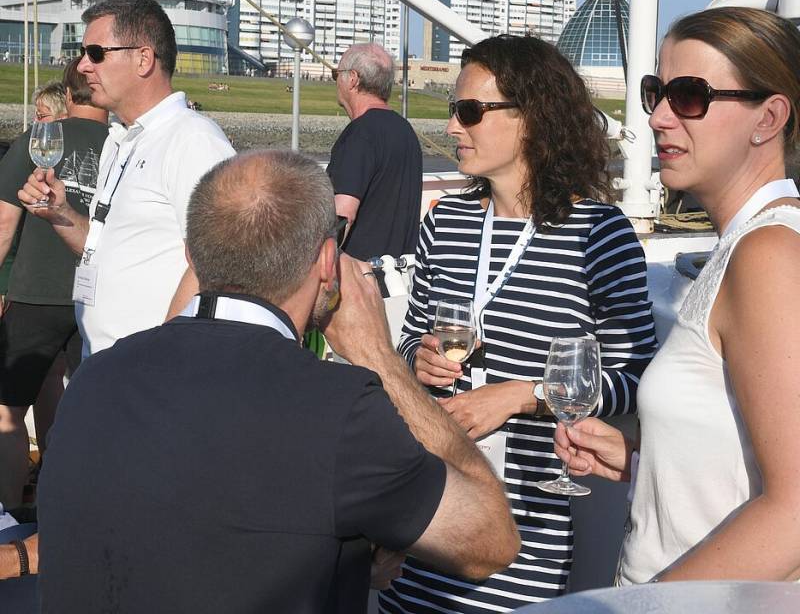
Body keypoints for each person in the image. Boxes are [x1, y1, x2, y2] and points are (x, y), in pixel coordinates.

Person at [36, 150, 520, 613]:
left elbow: (186, 528)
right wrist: (379, 356)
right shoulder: (339, 410)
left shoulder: (95, 379)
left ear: (192, 255)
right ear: (328, 262)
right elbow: (490, 541)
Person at [380, 35, 658, 613]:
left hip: (527, 517)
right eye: (454, 111)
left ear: (532, 118)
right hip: (428, 499)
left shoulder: (599, 236)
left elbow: (636, 377)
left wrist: (522, 396)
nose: (454, 127)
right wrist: (418, 356)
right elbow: (407, 336)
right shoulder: (447, 221)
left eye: (469, 112)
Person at [554, 7, 800, 584]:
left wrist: (644, 607)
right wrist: (642, 461)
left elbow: (795, 511)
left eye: (689, 95)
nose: (660, 116)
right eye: (656, 92)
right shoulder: (743, 246)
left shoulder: (767, 256)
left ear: (768, 117)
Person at [18, 0, 234, 355]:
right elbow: (101, 248)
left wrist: (162, 352)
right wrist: (61, 214)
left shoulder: (193, 140)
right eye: (83, 52)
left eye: (96, 53)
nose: (83, 66)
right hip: (105, 361)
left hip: (150, 370)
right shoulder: (118, 140)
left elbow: (218, 261)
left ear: (144, 59)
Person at [0, 59, 108, 509]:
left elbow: (4, 223)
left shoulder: (37, 140)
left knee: (7, 410)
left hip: (36, 293)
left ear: (66, 96)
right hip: (99, 297)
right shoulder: (126, 147)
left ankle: (8, 523)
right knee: (84, 410)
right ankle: (68, 509)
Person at [327, 43, 422, 262]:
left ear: (352, 79)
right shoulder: (405, 130)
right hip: (398, 275)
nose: (336, 82)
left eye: (336, 74)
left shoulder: (361, 134)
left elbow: (342, 215)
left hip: (362, 276)